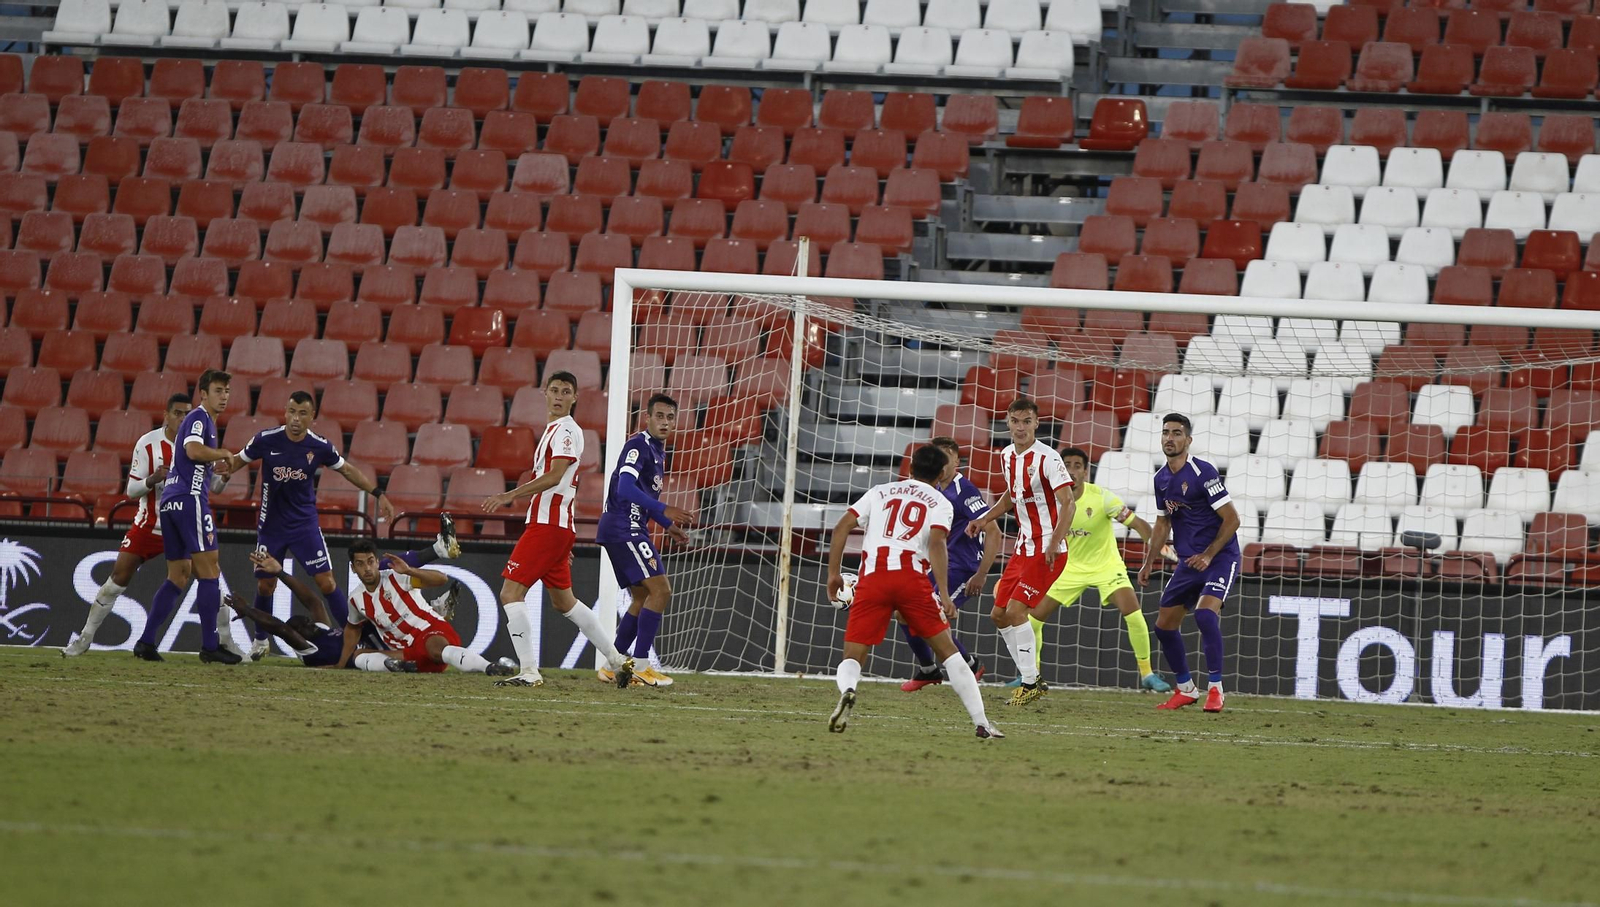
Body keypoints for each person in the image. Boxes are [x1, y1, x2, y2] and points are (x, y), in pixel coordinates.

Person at [824, 446, 1001, 738]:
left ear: (909, 468)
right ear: (942, 472)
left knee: (853, 655)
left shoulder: (880, 491)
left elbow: (841, 528)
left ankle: (848, 690)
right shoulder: (940, 501)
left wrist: (833, 575)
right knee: (949, 652)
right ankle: (981, 722)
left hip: (872, 579)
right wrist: (944, 596)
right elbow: (936, 546)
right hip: (911, 580)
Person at [481, 371, 636, 689]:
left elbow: (555, 477)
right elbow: (564, 486)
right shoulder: (555, 429)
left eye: (566, 391)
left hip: (547, 525)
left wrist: (510, 494)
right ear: (544, 393)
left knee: (511, 593)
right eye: (554, 390)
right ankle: (618, 660)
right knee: (564, 602)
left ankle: (529, 671)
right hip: (558, 528)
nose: (559, 396)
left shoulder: (565, 430)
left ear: (574, 398)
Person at [220, 390, 397, 660]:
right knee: (265, 586)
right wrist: (217, 470)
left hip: (304, 525)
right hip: (271, 527)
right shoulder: (265, 439)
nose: (295, 418)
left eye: (302, 413)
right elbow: (237, 461)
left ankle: (351, 639)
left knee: (326, 583)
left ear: (311, 417)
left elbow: (347, 469)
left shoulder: (319, 446)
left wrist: (378, 493)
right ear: (285, 412)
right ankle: (260, 640)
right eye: (292, 411)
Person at [1026, 447, 1174, 694]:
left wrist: (1155, 545)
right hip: (1069, 569)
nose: (1072, 471)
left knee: (1134, 613)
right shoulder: (1049, 501)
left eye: (1077, 466)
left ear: (1085, 471)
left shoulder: (1102, 498)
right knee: (1032, 622)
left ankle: (1147, 673)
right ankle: (1031, 677)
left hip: (1106, 566)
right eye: (1067, 466)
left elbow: (1137, 524)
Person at [963, 398, 1076, 707]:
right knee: (998, 615)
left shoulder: (1048, 458)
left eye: (1027, 421)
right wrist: (983, 519)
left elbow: (1069, 502)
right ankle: (1031, 677)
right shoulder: (1007, 456)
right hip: (1023, 549)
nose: (1021, 427)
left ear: (1036, 424)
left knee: (1015, 612)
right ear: (1008, 423)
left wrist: (1055, 541)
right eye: (1015, 421)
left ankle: (1030, 682)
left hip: (1049, 550)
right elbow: (1012, 498)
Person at [63, 393, 192, 658]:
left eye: (187, 414)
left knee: (209, 577)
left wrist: (223, 478)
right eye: (177, 413)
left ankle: (225, 643)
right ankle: (85, 638)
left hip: (181, 527)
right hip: (148, 525)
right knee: (117, 578)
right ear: (166, 415)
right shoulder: (147, 444)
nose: (182, 418)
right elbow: (131, 490)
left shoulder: (196, 445)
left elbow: (213, 486)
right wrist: (153, 478)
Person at [1137, 413, 1242, 714]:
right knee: (1163, 627)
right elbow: (1162, 524)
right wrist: (1148, 563)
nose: (1170, 438)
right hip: (1187, 562)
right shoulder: (1161, 479)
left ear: (1188, 440)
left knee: (1205, 616)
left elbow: (1233, 519)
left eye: (1177, 433)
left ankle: (1216, 690)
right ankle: (1185, 689)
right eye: (1166, 432)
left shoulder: (1202, 472)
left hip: (1219, 558)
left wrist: (1209, 554)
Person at [134, 370, 241, 664]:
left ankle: (145, 642)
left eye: (227, 391)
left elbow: (195, 463)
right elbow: (192, 451)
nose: (224, 396)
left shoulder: (205, 423)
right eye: (218, 390)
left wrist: (220, 469)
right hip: (189, 501)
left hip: (171, 503)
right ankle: (209, 646)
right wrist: (220, 453)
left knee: (179, 574)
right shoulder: (199, 417)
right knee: (209, 570)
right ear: (203, 394)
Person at [596, 393, 696, 687]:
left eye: (670, 418)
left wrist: (666, 524)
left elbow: (641, 497)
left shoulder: (657, 450)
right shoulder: (637, 446)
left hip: (628, 526)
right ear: (647, 418)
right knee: (661, 590)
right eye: (660, 416)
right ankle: (640, 665)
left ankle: (612, 666)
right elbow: (625, 488)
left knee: (641, 596)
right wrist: (664, 509)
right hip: (624, 527)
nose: (665, 422)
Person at [899, 436, 997, 692]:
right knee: (903, 611)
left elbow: (994, 531)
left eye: (946, 457)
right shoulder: (933, 490)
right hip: (938, 565)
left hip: (961, 567)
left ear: (956, 460)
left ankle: (970, 666)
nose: (941, 463)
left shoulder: (964, 490)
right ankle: (928, 669)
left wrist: (982, 574)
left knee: (926, 616)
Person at [335, 540, 515, 675]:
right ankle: (400, 667)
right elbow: (352, 628)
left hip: (429, 632)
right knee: (358, 655)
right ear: (352, 568)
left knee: (435, 649)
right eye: (360, 564)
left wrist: (410, 571)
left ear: (376, 561)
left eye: (370, 561)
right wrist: (341, 664)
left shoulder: (395, 577)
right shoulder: (356, 599)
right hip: (408, 655)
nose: (367, 568)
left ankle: (489, 667)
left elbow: (441, 579)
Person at [222, 551, 411, 671]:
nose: (310, 623)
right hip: (370, 657)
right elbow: (281, 628)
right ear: (297, 636)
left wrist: (280, 573)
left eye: (307, 620)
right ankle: (410, 658)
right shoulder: (309, 651)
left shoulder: (319, 629)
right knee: (362, 655)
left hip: (381, 639)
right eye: (304, 625)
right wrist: (247, 609)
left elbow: (314, 603)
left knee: (373, 614)